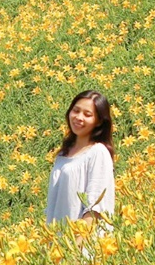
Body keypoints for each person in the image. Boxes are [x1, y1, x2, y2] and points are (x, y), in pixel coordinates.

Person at [45, 90, 116, 231]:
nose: (78, 117)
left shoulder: (98, 152)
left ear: (99, 122)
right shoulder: (63, 155)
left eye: (87, 114)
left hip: (82, 245)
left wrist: (76, 247)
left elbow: (95, 208)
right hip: (59, 244)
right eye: (75, 111)